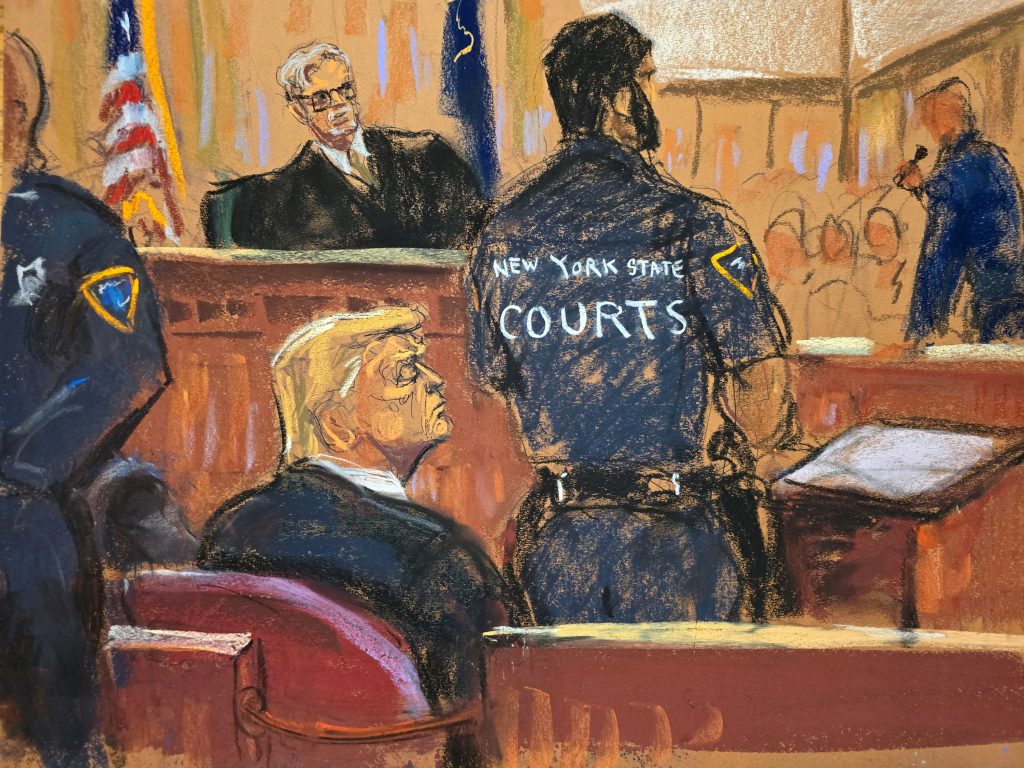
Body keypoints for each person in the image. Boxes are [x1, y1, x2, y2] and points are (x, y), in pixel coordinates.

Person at [466, 14, 801, 625]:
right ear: (619, 96)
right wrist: (735, 446)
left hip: (557, 542)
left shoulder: (502, 232)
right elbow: (764, 398)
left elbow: (492, 374)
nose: (652, 93)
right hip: (676, 542)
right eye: (647, 78)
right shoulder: (699, 225)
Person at [198, 307, 508, 767]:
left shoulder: (229, 530)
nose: (436, 381)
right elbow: (497, 716)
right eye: (405, 373)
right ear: (335, 424)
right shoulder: (438, 557)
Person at [1, 32, 171, 767]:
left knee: (25, 536)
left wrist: (24, 466)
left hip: (32, 488)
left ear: (17, 115)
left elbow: (126, 366)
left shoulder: (73, 228)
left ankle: (64, 749)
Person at [202, 42, 486, 251]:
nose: (339, 105)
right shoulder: (283, 196)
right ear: (299, 110)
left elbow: (475, 230)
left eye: (345, 90)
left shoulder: (426, 154)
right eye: (321, 98)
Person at [895, 78, 1024, 343]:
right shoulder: (975, 157)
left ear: (951, 117)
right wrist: (922, 186)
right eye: (927, 120)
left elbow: (942, 243)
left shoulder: (973, 159)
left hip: (992, 295)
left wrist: (922, 184)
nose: (931, 128)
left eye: (932, 119)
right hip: (991, 291)